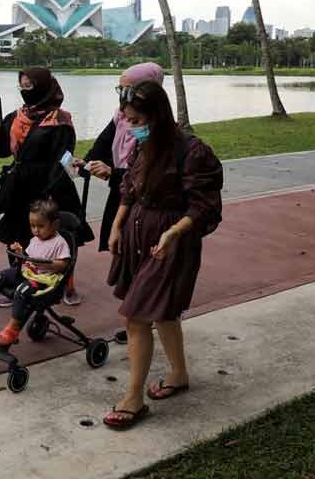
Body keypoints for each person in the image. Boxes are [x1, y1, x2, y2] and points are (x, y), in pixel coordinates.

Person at [100, 81, 223, 430]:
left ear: (157, 115)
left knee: (137, 317)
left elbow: (204, 206)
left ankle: (133, 399)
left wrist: (173, 233)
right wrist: (117, 225)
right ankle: (179, 374)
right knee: (163, 313)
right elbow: (129, 188)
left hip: (169, 243)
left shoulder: (192, 151)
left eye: (137, 119)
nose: (131, 125)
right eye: (127, 119)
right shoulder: (144, 146)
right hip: (138, 236)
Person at [0, 67, 93, 306]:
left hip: (50, 187)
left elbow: (61, 158)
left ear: (44, 86)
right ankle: (19, 283)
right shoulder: (16, 116)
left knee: (58, 237)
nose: (25, 92)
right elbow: (3, 150)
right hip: (19, 187)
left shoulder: (60, 120)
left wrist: (49, 195)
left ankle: (66, 284)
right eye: (21, 87)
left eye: (30, 86)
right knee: (17, 235)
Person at [74, 62, 165, 253]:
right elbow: (103, 143)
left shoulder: (159, 129)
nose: (123, 97)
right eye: (120, 90)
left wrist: (112, 173)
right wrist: (86, 163)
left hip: (145, 203)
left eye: (128, 90)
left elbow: (150, 173)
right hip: (121, 193)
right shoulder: (121, 116)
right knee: (120, 250)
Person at [0, 199, 71, 345]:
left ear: (54, 225)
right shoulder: (36, 239)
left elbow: (63, 264)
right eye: (33, 226)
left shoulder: (59, 243)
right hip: (28, 273)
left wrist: (47, 264)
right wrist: (20, 252)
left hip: (43, 279)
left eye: (41, 226)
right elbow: (28, 258)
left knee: (21, 290)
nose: (36, 230)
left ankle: (12, 328)